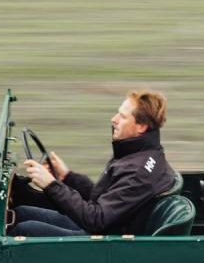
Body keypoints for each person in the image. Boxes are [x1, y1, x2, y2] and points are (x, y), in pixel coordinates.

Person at [12, 90, 176, 237]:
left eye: (123, 117)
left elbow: (97, 220)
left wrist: (51, 185)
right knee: (21, 213)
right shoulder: (138, 154)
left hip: (105, 243)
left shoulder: (137, 172)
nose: (114, 119)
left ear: (141, 126)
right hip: (107, 227)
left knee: (24, 230)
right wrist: (68, 177)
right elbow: (105, 200)